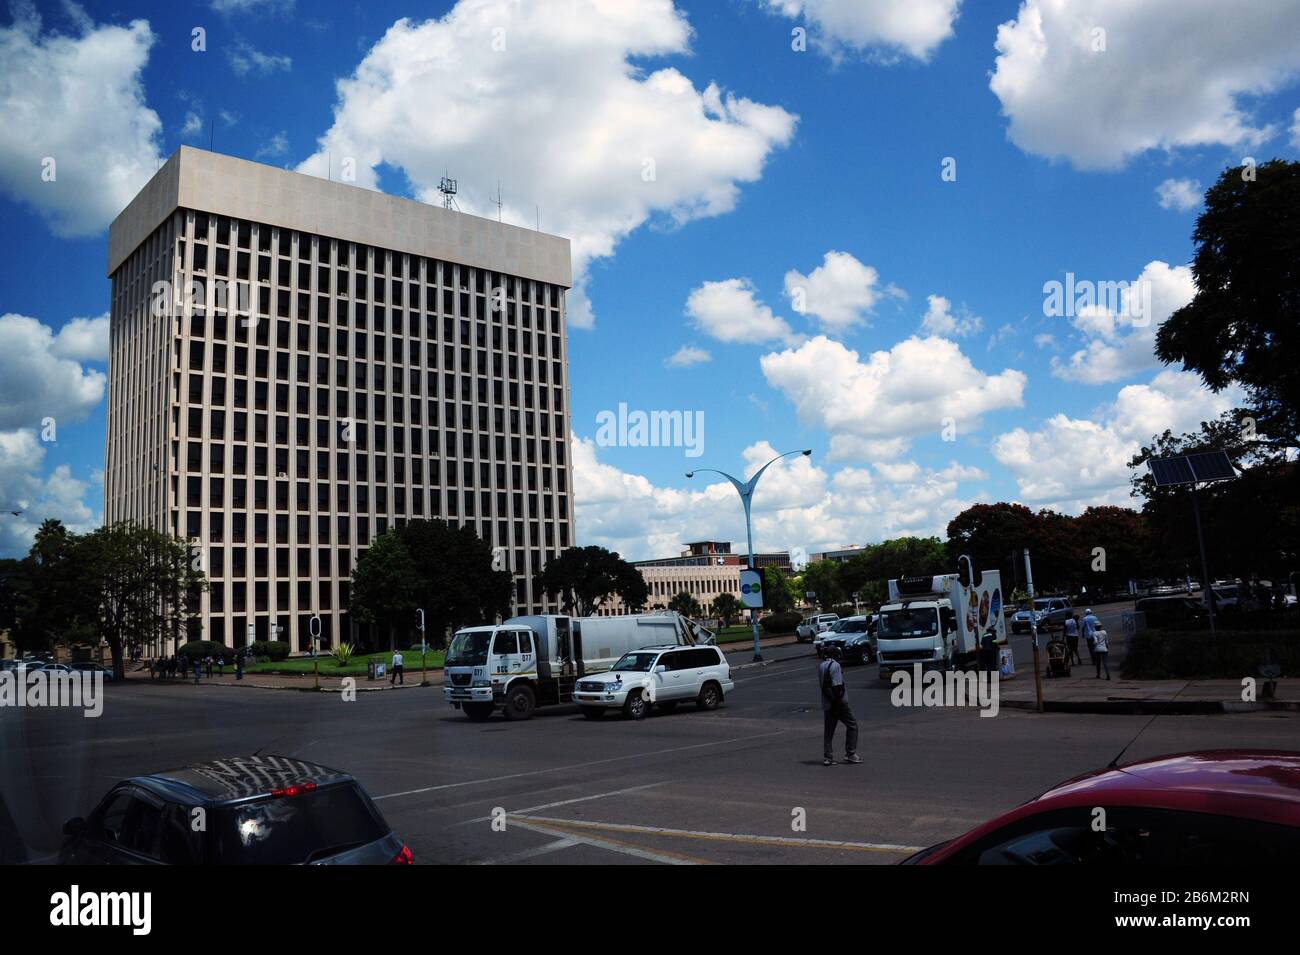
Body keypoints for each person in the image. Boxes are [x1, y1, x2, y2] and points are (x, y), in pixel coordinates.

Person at [818, 644, 861, 766]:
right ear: (835, 654)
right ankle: (850, 753)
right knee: (852, 725)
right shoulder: (835, 666)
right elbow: (837, 686)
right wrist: (839, 701)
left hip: (827, 702)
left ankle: (828, 757)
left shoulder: (822, 665)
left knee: (829, 731)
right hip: (838, 703)